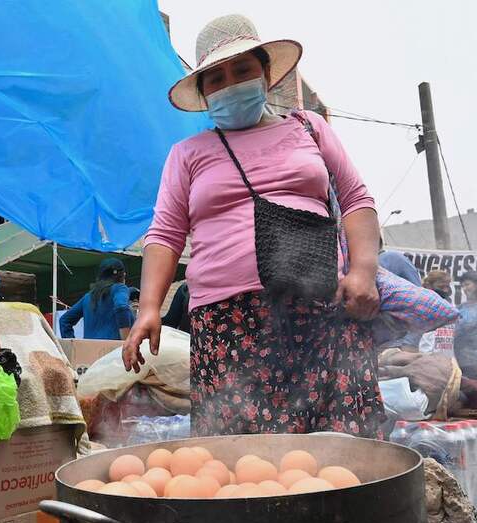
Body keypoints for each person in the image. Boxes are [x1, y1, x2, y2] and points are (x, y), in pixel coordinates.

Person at [123, 14, 383, 437]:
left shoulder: (309, 128)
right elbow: (166, 234)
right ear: (205, 94)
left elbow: (356, 199)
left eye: (242, 69)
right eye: (216, 78)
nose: (230, 84)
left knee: (336, 452)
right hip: (228, 324)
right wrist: (149, 307)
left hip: (317, 309)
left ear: (265, 74)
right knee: (242, 462)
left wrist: (362, 271)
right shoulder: (188, 153)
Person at [59, 258, 134, 340]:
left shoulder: (88, 297)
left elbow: (64, 320)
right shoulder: (119, 288)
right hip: (114, 350)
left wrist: (73, 346)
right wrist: (126, 339)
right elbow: (121, 306)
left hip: (89, 350)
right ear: (123, 275)